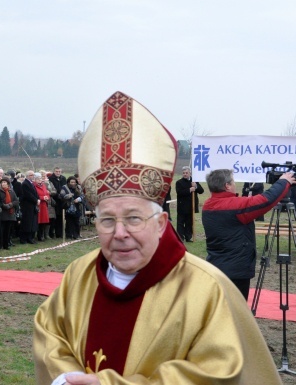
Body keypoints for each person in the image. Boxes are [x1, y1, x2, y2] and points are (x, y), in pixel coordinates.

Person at [33, 91, 281, 384]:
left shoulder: (207, 289)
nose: (120, 233)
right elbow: (50, 337)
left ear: (162, 223)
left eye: (134, 218)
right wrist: (67, 379)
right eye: (107, 220)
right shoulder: (79, 275)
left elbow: (218, 372)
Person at [202, 168, 294, 300]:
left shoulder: (208, 205)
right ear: (226, 186)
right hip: (236, 271)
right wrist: (284, 182)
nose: (234, 184)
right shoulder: (234, 206)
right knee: (236, 311)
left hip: (217, 265)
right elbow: (265, 200)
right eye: (232, 182)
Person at [175, 166, 204, 242]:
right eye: (183, 173)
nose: (185, 174)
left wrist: (196, 186)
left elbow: (201, 191)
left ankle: (188, 237)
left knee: (189, 223)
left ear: (190, 173)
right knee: (180, 223)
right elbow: (179, 193)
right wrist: (189, 190)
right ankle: (180, 238)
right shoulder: (179, 182)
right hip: (182, 206)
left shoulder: (194, 181)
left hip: (192, 206)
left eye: (186, 173)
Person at [19, 170, 39, 244]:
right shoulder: (25, 184)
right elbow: (28, 195)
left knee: (32, 223)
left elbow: (35, 193)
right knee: (26, 222)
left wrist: (38, 198)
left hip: (32, 205)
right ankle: (24, 238)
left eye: (33, 175)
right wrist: (36, 200)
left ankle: (30, 238)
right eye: (31, 175)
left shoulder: (31, 184)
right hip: (27, 206)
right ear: (27, 176)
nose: (33, 176)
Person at [0, 177, 19, 250]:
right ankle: (0, 245)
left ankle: (6, 245)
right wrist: (4, 206)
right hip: (2, 213)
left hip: (10, 213)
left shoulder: (11, 191)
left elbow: (16, 201)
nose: (3, 184)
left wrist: (10, 205)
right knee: (1, 230)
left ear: (8, 184)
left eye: (5, 182)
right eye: (2, 182)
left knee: (8, 231)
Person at [49, 166, 67, 238]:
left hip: (62, 201)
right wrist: (57, 195)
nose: (58, 173)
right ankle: (51, 233)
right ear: (54, 171)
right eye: (56, 171)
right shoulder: (51, 179)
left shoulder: (63, 178)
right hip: (54, 200)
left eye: (59, 171)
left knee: (60, 217)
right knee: (53, 218)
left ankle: (60, 233)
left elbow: (65, 188)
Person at [34, 172, 51, 241]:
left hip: (44, 205)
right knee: (38, 221)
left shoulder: (43, 185)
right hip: (38, 205)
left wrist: (47, 197)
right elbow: (35, 195)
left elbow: (47, 193)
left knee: (44, 221)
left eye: (40, 178)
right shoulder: (34, 186)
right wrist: (42, 198)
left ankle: (42, 235)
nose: (40, 180)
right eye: (38, 179)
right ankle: (38, 236)